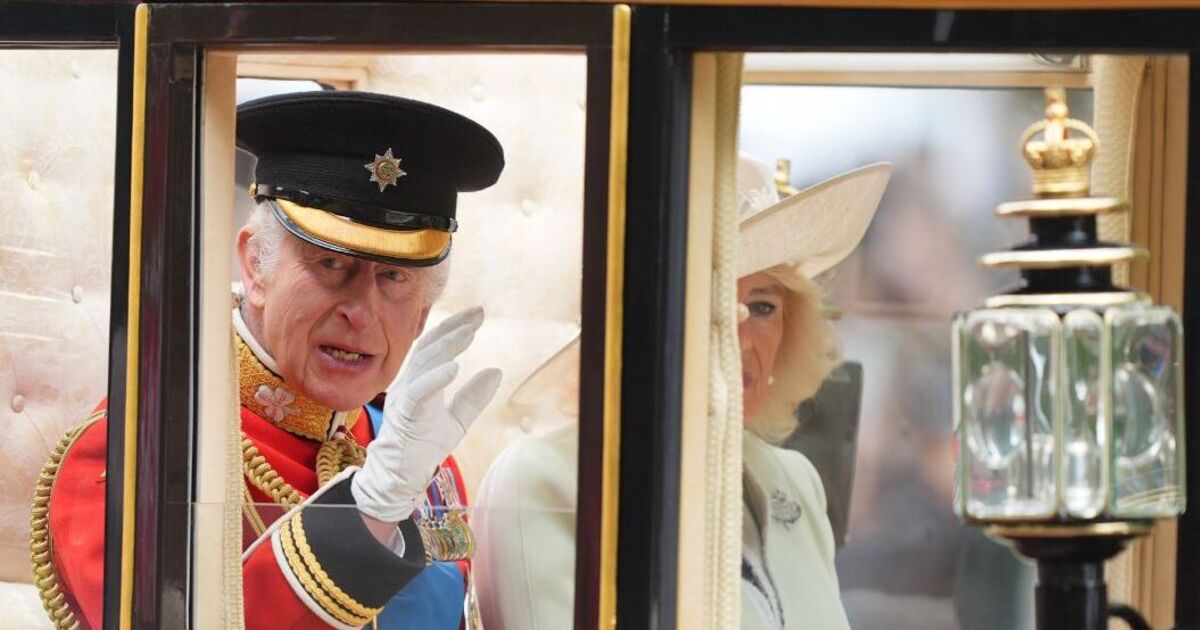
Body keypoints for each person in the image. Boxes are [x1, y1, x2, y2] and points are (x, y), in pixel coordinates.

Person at [31, 91, 504, 629]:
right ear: (256, 267)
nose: (361, 311)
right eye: (330, 263)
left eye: (394, 277)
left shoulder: (423, 461)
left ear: (422, 315)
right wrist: (369, 511)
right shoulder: (137, 452)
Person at [472, 154, 891, 630]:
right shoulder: (546, 478)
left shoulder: (795, 481)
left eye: (763, 306)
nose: (740, 336)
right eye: (709, 303)